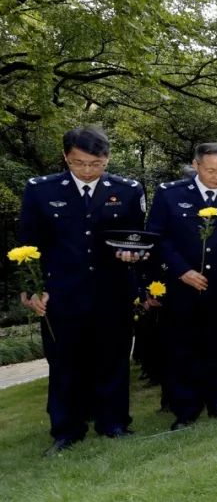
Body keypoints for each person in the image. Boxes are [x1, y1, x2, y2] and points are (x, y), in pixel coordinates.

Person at [17, 127, 146, 455]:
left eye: (96, 163)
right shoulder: (39, 190)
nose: (87, 170)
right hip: (61, 293)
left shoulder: (128, 190)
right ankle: (66, 429)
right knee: (64, 362)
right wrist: (31, 290)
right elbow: (26, 245)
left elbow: (139, 239)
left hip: (113, 290)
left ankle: (113, 422)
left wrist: (135, 255)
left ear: (107, 158)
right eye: (79, 163)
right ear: (65, 157)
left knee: (113, 359)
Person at [147, 142, 217, 431]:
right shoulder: (170, 195)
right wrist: (181, 271)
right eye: (211, 170)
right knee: (182, 349)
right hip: (182, 288)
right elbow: (157, 238)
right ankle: (186, 410)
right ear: (195, 166)